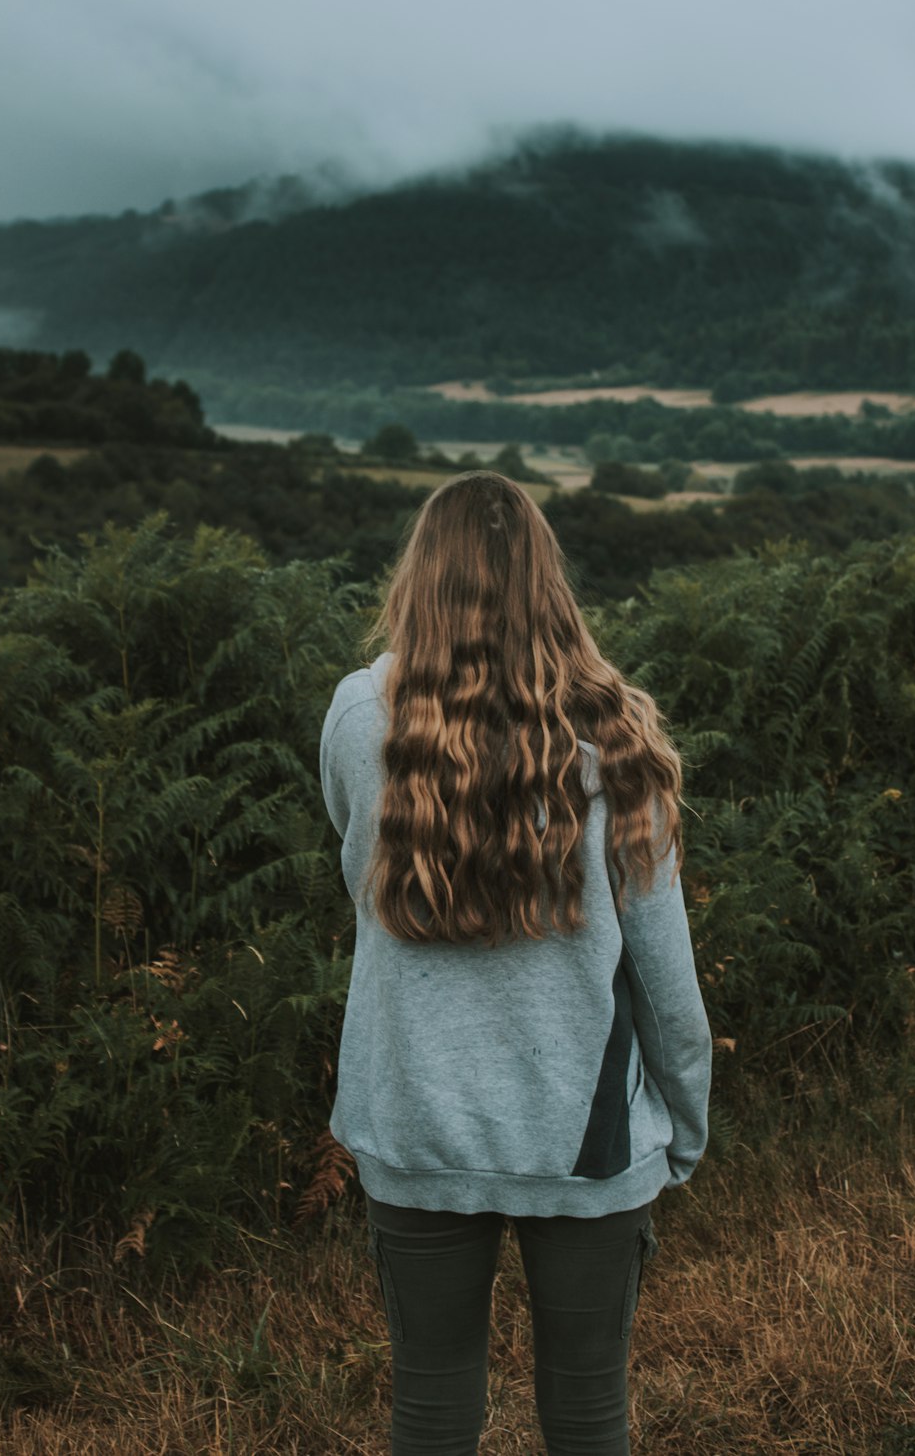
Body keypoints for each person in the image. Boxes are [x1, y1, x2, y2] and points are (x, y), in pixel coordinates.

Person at [319, 470, 713, 1456]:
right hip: (587, 1135)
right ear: (549, 579)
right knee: (588, 1411)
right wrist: (687, 1127)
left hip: (413, 1117)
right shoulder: (616, 732)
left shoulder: (360, 717)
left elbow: (357, 878)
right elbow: (667, 977)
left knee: (431, 1400)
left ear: (421, 575)